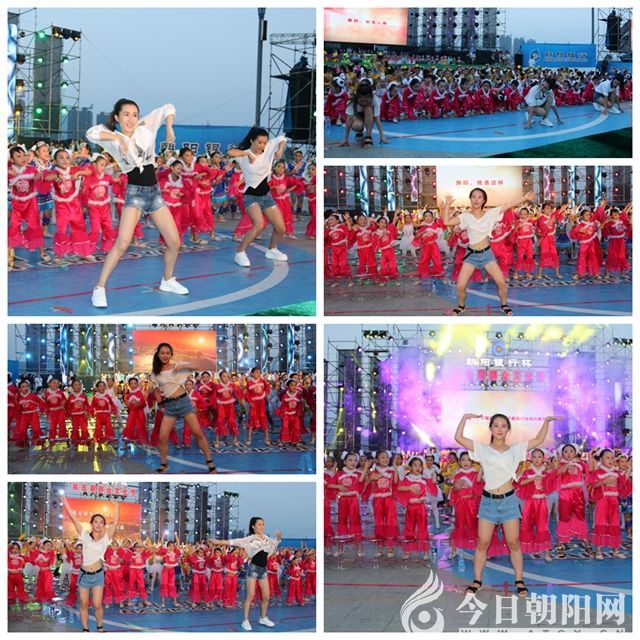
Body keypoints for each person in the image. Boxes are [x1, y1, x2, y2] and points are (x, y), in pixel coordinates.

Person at [86, 99, 188, 307]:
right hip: (135, 194)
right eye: (126, 114)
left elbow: (168, 107)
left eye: (134, 114)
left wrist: (169, 127)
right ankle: (99, 288)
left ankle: (167, 280)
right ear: (117, 117)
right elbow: (90, 133)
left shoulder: (145, 126)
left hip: (154, 193)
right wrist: (117, 137)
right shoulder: (112, 139)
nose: (131, 119)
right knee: (122, 243)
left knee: (174, 241)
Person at [454, 412, 562, 597]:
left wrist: (546, 421)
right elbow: (458, 437)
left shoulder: (515, 450)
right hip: (488, 502)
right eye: (496, 425)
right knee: (482, 543)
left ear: (508, 430)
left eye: (503, 426)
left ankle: (519, 581)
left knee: (513, 543)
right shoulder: (482, 449)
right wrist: (464, 417)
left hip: (509, 501)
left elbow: (538, 440)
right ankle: (477, 581)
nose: (499, 429)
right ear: (490, 428)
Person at [442, 188, 534, 316]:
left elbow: (509, 204)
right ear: (470, 199)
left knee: (501, 283)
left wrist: (525, 198)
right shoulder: (465, 217)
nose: (476, 199)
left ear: (484, 200)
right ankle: (461, 306)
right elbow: (446, 221)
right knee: (460, 286)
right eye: (474, 196)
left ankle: (504, 305)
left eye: (479, 197)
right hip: (471, 256)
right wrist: (447, 204)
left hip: (487, 255)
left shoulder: (491, 214)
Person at [149, 342, 216, 473]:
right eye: (162, 353)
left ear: (171, 355)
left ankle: (210, 463)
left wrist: (183, 366)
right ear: (158, 354)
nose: (165, 355)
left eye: (167, 353)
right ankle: (164, 465)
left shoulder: (177, 366)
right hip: (170, 406)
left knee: (198, 433)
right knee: (162, 437)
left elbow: (196, 366)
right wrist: (161, 405)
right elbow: (156, 390)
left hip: (184, 402)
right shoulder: (155, 372)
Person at [227, 127, 289, 268]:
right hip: (251, 196)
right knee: (259, 225)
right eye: (259, 142)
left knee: (281, 228)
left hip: (266, 196)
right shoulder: (243, 155)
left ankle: (272, 250)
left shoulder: (268, 148)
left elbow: (282, 138)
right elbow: (230, 152)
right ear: (252, 140)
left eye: (264, 143)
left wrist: (279, 150)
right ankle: (240, 253)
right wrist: (246, 153)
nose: (262, 145)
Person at [212, 517, 282, 631]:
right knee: (250, 595)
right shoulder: (250, 539)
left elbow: (275, 544)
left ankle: (263, 617)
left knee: (266, 597)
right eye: (259, 524)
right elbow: (234, 541)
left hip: (263, 570)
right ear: (253, 526)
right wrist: (218, 542)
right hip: (253, 569)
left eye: (263, 524)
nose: (262, 526)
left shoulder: (267, 538)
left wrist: (278, 537)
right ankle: (245, 621)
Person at [63, 495, 120, 632]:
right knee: (83, 604)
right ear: (92, 524)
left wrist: (117, 507)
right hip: (84, 575)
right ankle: (85, 629)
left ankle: (100, 628)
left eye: (101, 522)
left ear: (103, 525)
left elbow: (115, 523)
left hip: (98, 575)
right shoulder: (84, 536)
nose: (98, 524)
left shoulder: (106, 538)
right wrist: (65, 502)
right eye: (96, 521)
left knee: (97, 604)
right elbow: (74, 518)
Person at [339, 79, 390, 149]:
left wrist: (382, 136)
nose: (364, 103)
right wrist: (346, 138)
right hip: (358, 116)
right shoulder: (351, 102)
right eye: (361, 101)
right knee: (356, 126)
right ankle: (359, 131)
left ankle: (368, 136)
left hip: (370, 116)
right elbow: (349, 120)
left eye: (366, 100)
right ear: (357, 97)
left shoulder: (375, 99)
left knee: (367, 108)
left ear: (371, 97)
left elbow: (377, 118)